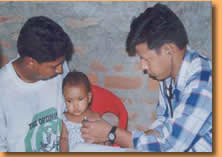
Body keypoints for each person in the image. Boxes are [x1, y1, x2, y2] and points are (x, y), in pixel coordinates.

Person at [81, 3, 212, 152]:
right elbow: (163, 122)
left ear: (168, 50)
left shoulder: (203, 82)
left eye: (146, 59)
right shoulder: (169, 74)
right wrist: (117, 138)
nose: (143, 66)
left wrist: (112, 134)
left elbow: (169, 146)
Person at [0, 16, 73, 152]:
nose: (61, 70)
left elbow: (69, 116)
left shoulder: (57, 68)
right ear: (30, 63)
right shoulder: (3, 89)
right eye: (54, 66)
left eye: (62, 63)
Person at [59, 71, 100, 152]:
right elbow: (64, 139)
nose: (75, 106)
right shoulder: (65, 118)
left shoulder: (94, 117)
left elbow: (101, 137)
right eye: (69, 101)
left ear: (89, 97)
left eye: (80, 99)